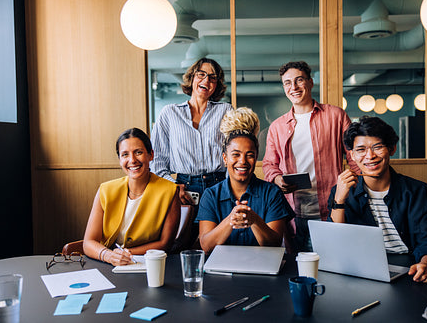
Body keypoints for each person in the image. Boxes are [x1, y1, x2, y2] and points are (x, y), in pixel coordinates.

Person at [328, 116, 427, 283]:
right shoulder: (342, 191)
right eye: (361, 150)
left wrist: (425, 265)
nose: (370, 156)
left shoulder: (419, 192)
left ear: (392, 149)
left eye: (377, 147)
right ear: (352, 155)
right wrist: (339, 200)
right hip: (361, 271)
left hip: (410, 268)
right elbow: (335, 244)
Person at [262, 61, 358, 252]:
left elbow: (355, 158)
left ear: (311, 82)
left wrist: (358, 195)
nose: (293, 87)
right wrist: (277, 178)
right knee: (296, 268)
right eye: (287, 83)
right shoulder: (277, 127)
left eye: (299, 80)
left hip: (332, 209)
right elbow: (269, 164)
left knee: (333, 266)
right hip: (293, 214)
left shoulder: (336, 116)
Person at [150, 58, 233, 246]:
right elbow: (157, 163)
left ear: (217, 85)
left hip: (218, 186)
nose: (206, 81)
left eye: (213, 78)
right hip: (183, 190)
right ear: (192, 78)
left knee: (217, 246)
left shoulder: (226, 111)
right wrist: (173, 187)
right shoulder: (169, 113)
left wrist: (228, 188)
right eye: (201, 74)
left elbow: (233, 154)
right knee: (180, 246)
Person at [197, 108, 293, 253]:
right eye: (236, 154)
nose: (242, 161)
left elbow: (274, 244)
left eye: (249, 155)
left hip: (262, 268)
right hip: (221, 269)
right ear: (225, 158)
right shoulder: (210, 195)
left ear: (256, 158)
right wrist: (231, 220)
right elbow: (206, 246)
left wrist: (254, 220)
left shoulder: (272, 193)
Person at [83, 128, 181, 266]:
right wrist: (109, 256)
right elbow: (88, 242)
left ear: (151, 155)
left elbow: (165, 243)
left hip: (148, 264)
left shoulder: (169, 191)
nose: (132, 160)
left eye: (138, 152)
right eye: (125, 155)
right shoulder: (105, 190)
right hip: (107, 263)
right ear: (119, 160)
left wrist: (125, 254)